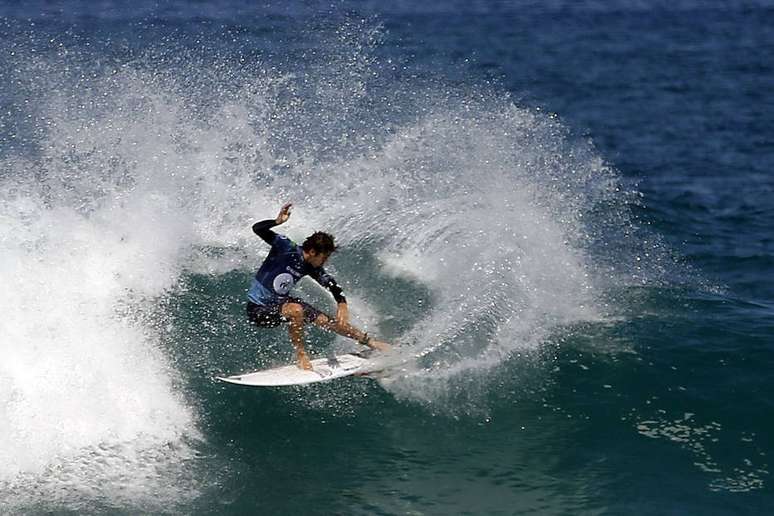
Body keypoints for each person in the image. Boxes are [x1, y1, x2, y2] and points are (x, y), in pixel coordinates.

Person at [246, 202, 390, 370]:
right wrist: (277, 222)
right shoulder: (286, 247)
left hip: (280, 304)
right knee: (296, 309)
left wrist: (342, 303)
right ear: (313, 252)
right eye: (324, 257)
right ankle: (301, 355)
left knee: (328, 321)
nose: (325, 261)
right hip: (258, 309)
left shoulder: (310, 266)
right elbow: (257, 229)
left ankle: (370, 342)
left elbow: (331, 284)